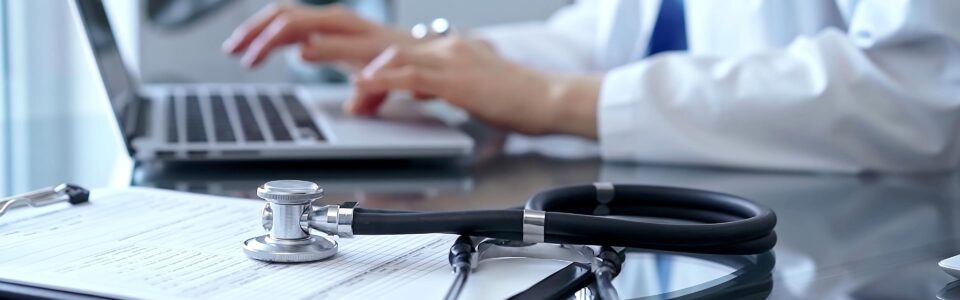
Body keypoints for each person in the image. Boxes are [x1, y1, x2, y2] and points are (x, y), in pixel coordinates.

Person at [222, 0, 960, 173]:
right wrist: (429, 56)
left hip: (860, 248)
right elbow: (611, 35)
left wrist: (554, 104)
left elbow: (917, 90)